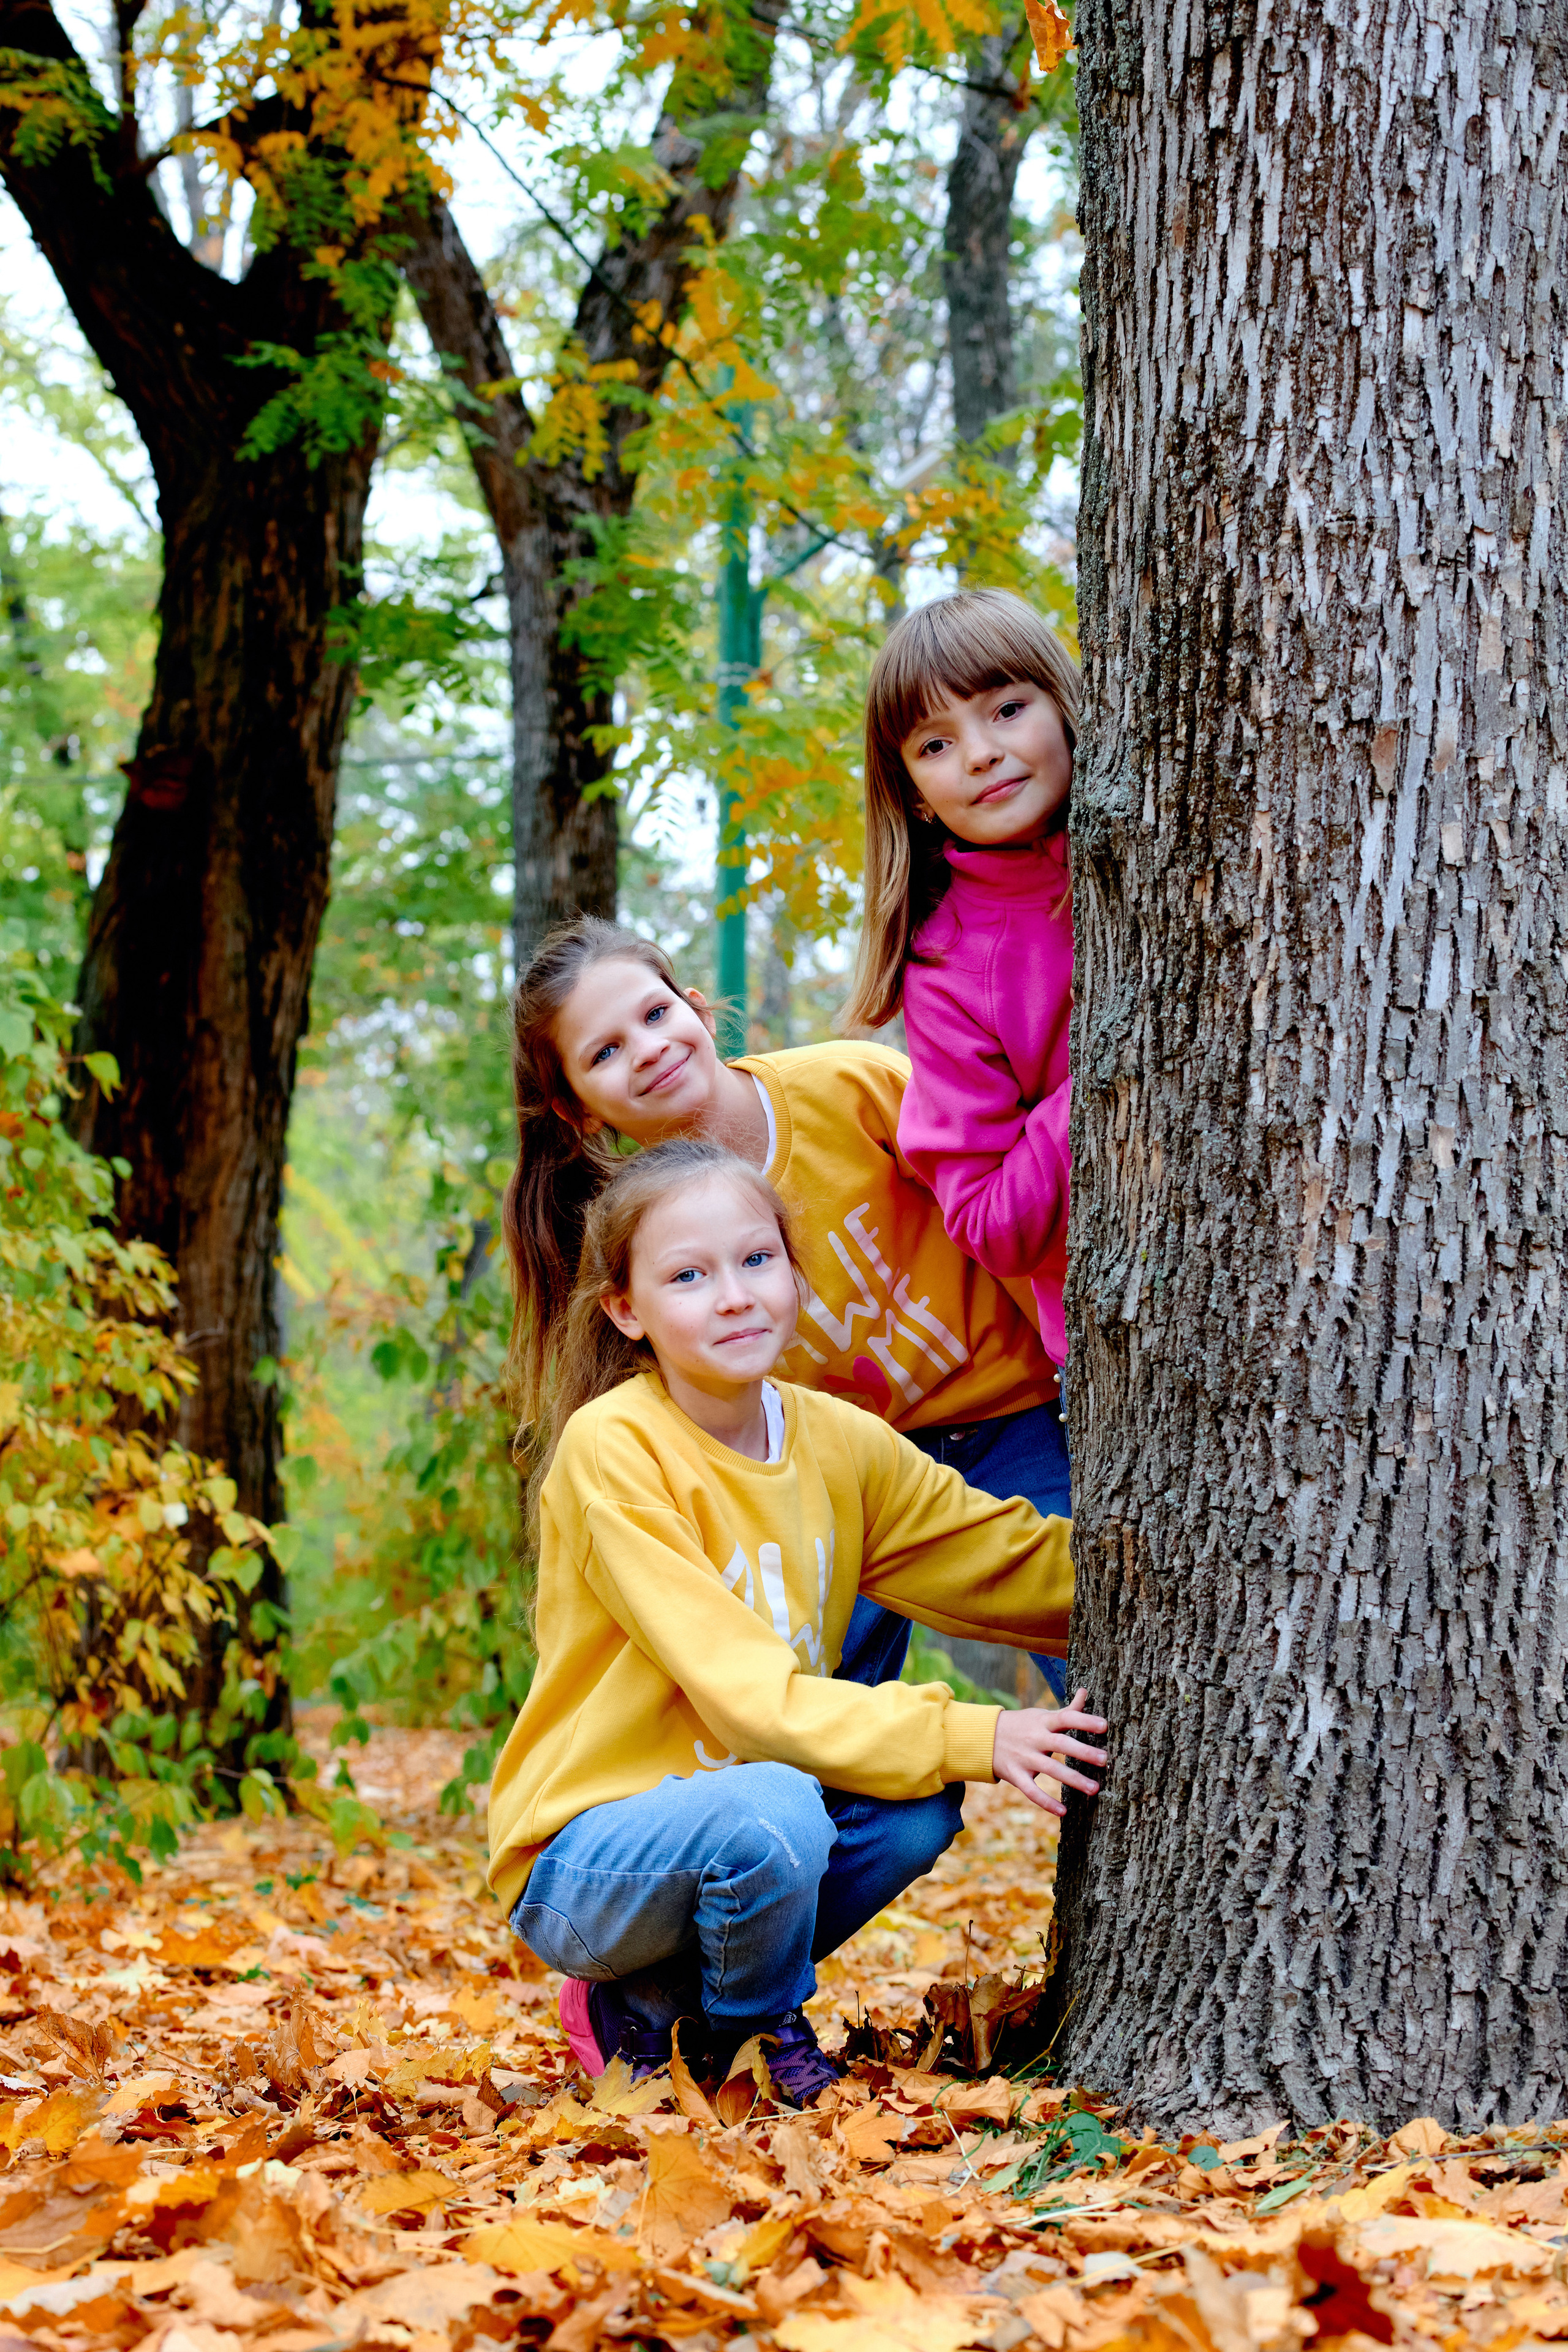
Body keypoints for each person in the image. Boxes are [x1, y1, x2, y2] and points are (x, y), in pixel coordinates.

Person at [488, 1138, 1107, 2103]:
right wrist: (977, 1730)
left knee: (909, 1811)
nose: (734, 1296)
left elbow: (998, 1559)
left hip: (748, 1819)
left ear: (792, 1270)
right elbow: (749, 1701)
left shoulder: (835, 1441)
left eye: (756, 1259)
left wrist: (1168, 1576)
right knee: (776, 1810)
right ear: (626, 1310)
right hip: (590, 1863)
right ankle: (750, 2034)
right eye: (688, 1276)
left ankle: (657, 2009)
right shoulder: (616, 1449)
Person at [502, 914, 1072, 1698]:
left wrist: (1070, 1369)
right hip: (835, 1478)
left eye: (656, 1014)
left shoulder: (852, 1089)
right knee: (811, 1711)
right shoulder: (640, 1239)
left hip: (1008, 1418)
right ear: (579, 1111)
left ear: (697, 1010)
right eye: (605, 1053)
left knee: (1103, 1633)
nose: (648, 1049)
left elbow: (1000, 1223)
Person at [843, 587, 1078, 1502]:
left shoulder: (1166, 848)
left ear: (1064, 700)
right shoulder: (946, 967)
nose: (980, 753)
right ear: (915, 794)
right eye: (935, 745)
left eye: (1007, 709)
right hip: (1134, 1335)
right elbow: (989, 1222)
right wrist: (1100, 1077)